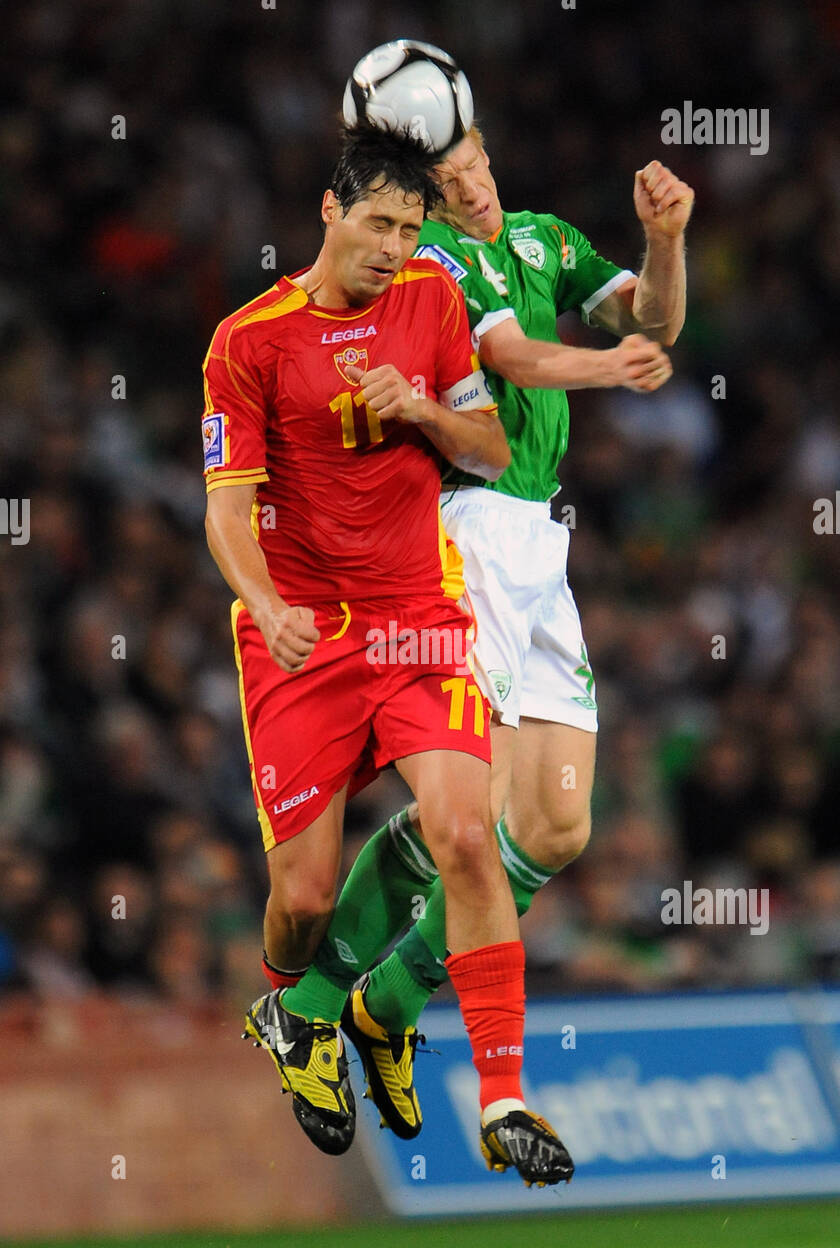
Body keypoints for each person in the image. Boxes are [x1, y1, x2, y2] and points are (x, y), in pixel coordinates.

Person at [285, 121, 693, 1144]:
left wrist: (668, 240)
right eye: (449, 178)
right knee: (465, 808)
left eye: (478, 166)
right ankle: (313, 1006)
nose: (471, 188)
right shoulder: (437, 258)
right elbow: (509, 354)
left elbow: (654, 314)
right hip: (463, 534)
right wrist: (612, 371)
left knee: (556, 825)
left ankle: (390, 1002)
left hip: (540, 543)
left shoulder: (548, 240)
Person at [202, 121, 574, 1187]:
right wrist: (265, 603)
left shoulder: (432, 303)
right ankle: (291, 1009)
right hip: (303, 637)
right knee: (306, 900)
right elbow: (227, 508)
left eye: (411, 229)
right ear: (329, 210)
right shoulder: (247, 342)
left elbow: (493, 448)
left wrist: (422, 410)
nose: (393, 248)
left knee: (467, 828)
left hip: (420, 617)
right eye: (376, 223)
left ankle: (503, 1094)